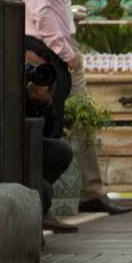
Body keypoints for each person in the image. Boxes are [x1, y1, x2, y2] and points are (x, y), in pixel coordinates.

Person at [23, 0, 131, 216]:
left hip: (45, 50)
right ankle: (39, 207)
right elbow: (41, 13)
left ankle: (44, 206)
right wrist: (69, 54)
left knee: (46, 133)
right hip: (43, 53)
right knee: (47, 133)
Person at [26, 35, 76, 234]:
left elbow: (48, 133)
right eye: (29, 66)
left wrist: (44, 104)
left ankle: (37, 201)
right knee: (45, 191)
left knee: (63, 151)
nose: (33, 72)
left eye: (37, 68)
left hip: (26, 146)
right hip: (5, 147)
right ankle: (39, 202)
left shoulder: (41, 83)